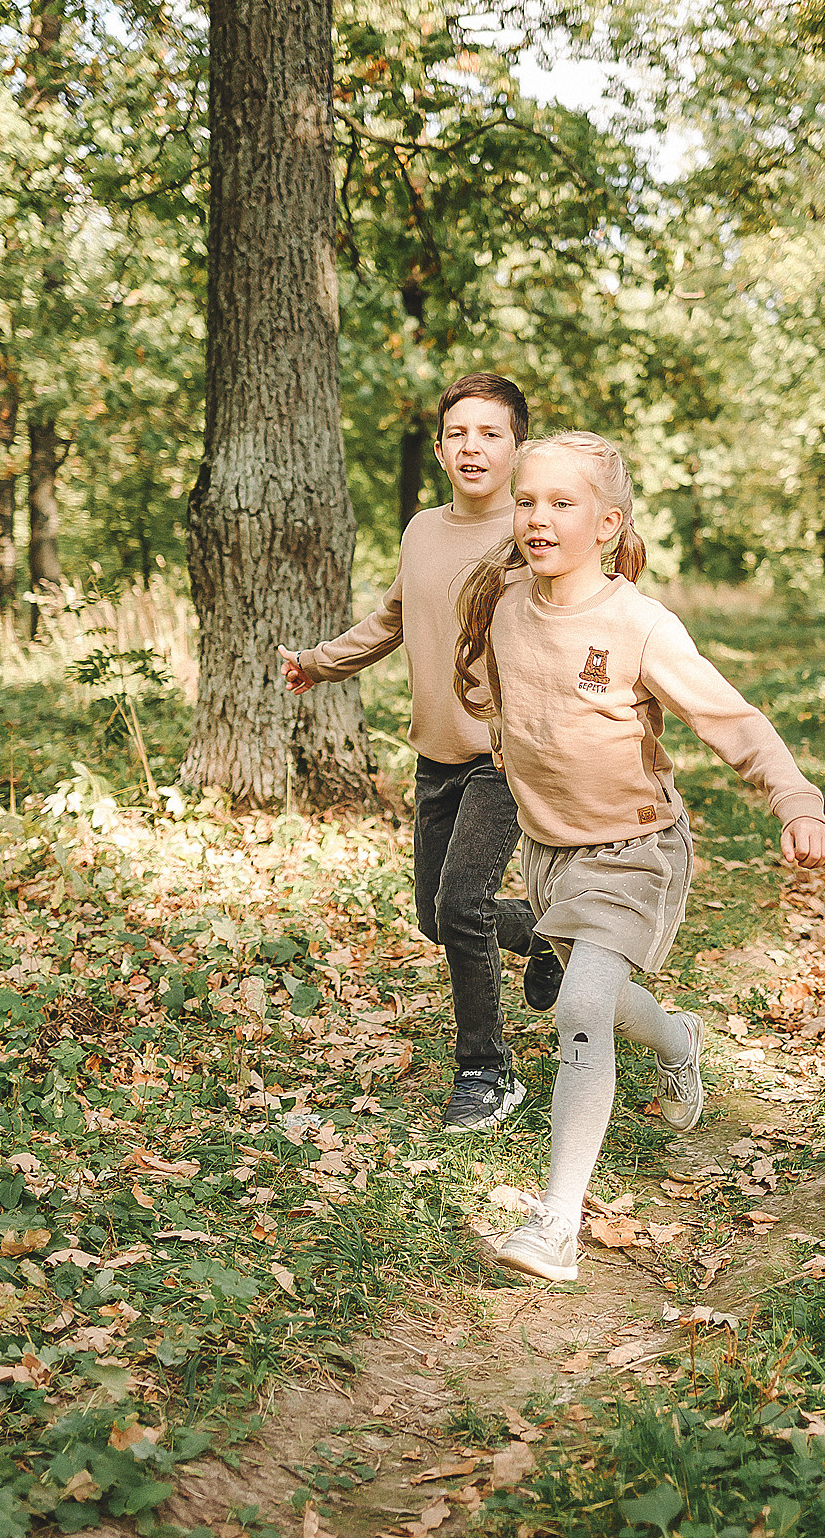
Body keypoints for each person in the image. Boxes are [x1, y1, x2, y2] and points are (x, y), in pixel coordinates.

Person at [454, 432, 825, 1282]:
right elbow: (505, 708)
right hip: (550, 854)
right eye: (527, 501)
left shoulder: (639, 625)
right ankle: (678, 1039)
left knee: (582, 1008)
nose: (539, 518)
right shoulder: (505, 606)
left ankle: (555, 1224)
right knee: (604, 999)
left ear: (607, 524)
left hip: (633, 851)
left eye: (562, 504)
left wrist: (797, 800)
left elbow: (730, 720)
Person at [279, 372, 564, 1133]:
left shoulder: (532, 536)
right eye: (458, 434)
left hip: (504, 759)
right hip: (436, 756)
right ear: (439, 450)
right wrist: (317, 663)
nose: (473, 447)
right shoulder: (421, 533)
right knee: (439, 918)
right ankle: (547, 934)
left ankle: (487, 1072)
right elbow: (390, 620)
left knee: (463, 903)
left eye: (491, 434)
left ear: (518, 448)